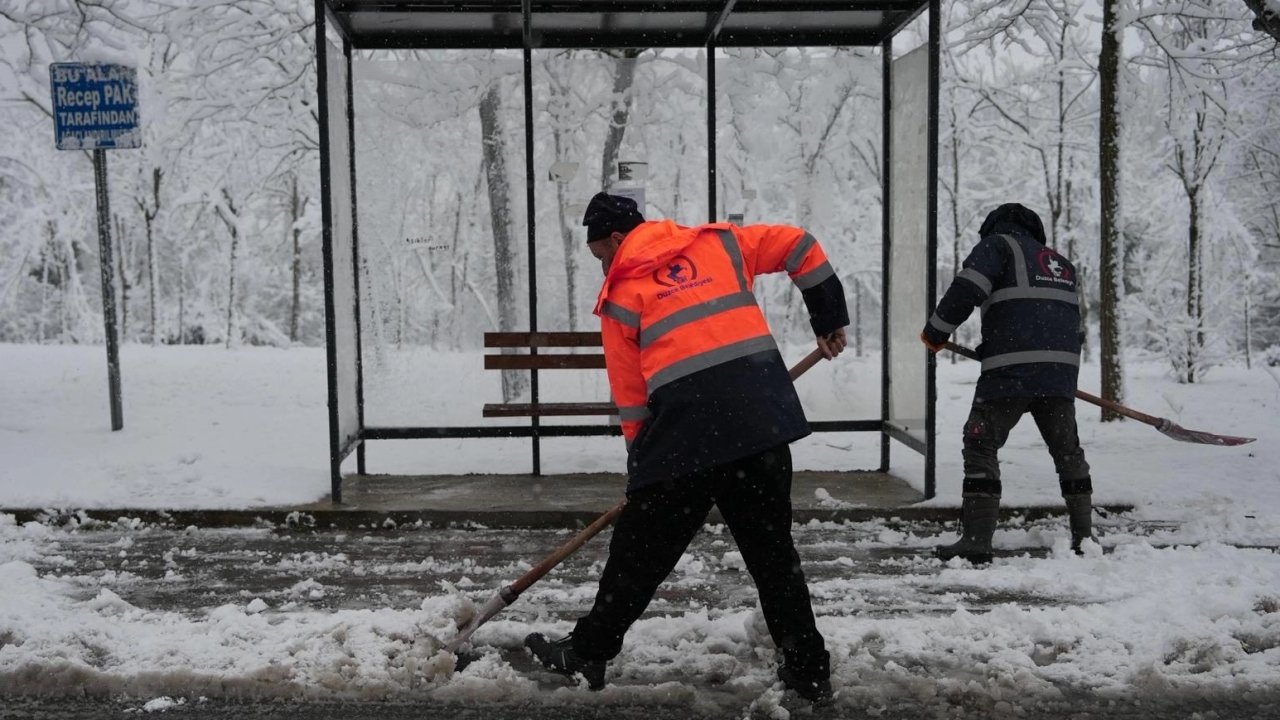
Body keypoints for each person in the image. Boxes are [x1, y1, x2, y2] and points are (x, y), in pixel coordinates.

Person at [523, 192, 849, 703]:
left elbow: (632, 402)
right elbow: (799, 245)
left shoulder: (622, 294)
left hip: (686, 443)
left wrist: (643, 474)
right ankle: (808, 670)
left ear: (614, 239)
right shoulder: (721, 245)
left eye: (601, 256)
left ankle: (588, 653)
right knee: (773, 558)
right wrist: (828, 316)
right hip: (760, 428)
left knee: (638, 556)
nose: (603, 266)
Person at [920, 202, 1093, 564]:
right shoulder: (1062, 264)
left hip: (1010, 373)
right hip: (1059, 373)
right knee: (1068, 452)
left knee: (980, 444)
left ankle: (976, 541)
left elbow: (967, 289)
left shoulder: (998, 246)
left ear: (994, 227)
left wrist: (936, 331)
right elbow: (1044, 316)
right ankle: (1084, 538)